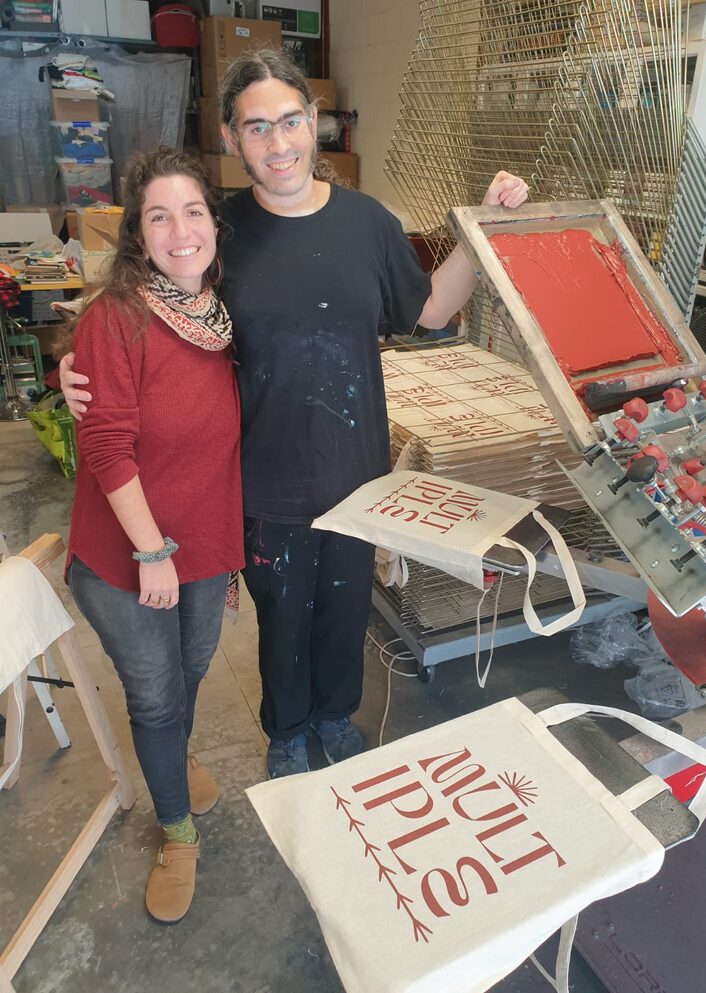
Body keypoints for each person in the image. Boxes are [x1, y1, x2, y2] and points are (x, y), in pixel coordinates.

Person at [60, 49, 529, 783]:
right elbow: (147, 299)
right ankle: (284, 730)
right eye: (256, 128)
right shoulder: (222, 229)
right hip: (259, 472)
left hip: (355, 468)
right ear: (230, 137)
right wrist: (76, 361)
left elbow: (430, 309)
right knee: (281, 619)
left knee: (345, 610)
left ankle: (334, 717)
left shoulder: (368, 223)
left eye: (289, 122)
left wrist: (481, 229)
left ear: (313, 123)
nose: (277, 144)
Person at [63, 148, 244, 923]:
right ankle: (175, 831)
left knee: (193, 668)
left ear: (212, 223)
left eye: (193, 211)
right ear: (139, 234)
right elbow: (106, 445)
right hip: (128, 553)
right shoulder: (118, 315)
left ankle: (173, 756)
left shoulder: (225, 315)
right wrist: (150, 551)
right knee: (156, 691)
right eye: (159, 215)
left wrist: (212, 553)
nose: (180, 229)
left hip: (204, 543)